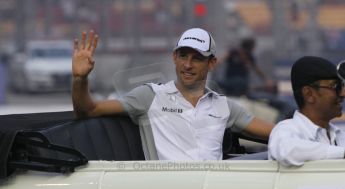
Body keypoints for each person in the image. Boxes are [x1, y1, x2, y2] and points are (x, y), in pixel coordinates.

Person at [72, 28, 274, 161]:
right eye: (183, 56)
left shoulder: (223, 106)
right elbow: (89, 109)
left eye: (197, 58)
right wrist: (80, 79)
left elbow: (276, 132)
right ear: (174, 58)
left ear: (211, 63)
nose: (187, 65)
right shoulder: (150, 95)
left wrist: (303, 131)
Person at [268, 56, 345, 166]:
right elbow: (288, 151)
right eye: (335, 86)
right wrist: (342, 153)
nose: (343, 94)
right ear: (309, 94)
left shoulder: (339, 135)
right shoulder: (285, 130)